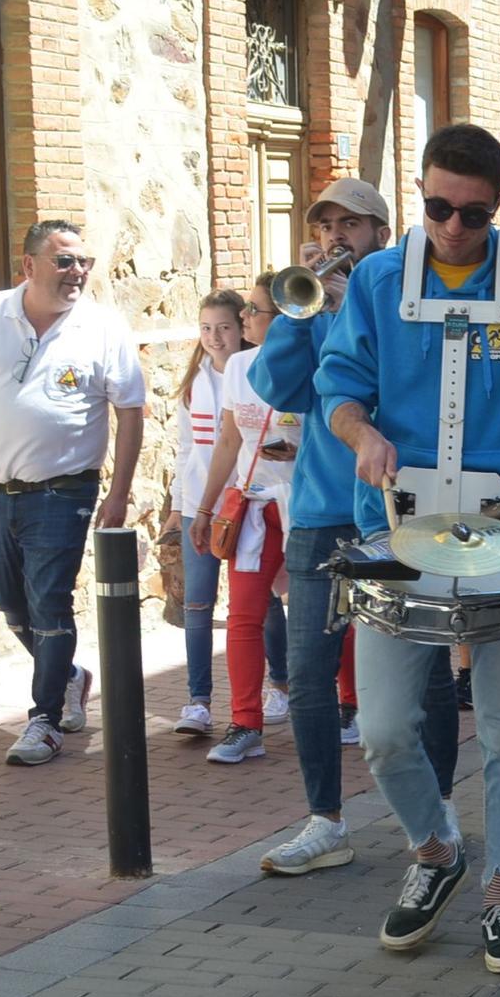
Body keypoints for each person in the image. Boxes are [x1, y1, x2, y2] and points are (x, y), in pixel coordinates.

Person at [318, 125, 500, 974]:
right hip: (396, 533)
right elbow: (337, 386)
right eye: (437, 208)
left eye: (473, 214)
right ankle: (436, 850)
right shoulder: (377, 279)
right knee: (381, 729)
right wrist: (363, 435)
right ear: (419, 195)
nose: (453, 227)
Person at [250, 177, 459, 876]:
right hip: (317, 510)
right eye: (327, 224)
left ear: (379, 231)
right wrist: (301, 314)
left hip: (395, 508)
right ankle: (324, 820)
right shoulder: (310, 303)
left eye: (352, 225)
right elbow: (276, 388)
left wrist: (348, 311)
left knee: (423, 667)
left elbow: (406, 380)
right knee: (309, 671)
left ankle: (438, 813)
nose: (338, 236)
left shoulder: (400, 295)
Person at [0, 220, 145, 766]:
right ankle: (70, 675)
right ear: (29, 266)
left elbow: (129, 410)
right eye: (64, 262)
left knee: (50, 602)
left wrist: (119, 492)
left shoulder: (101, 327)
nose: (77, 272)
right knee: (10, 603)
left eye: (84, 262)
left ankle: (44, 721)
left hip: (65, 490)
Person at [190, 281, 301, 762]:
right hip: (255, 504)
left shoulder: (316, 360)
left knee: (324, 613)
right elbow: (229, 443)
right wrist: (204, 507)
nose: (247, 318)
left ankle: (348, 705)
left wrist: (300, 450)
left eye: (256, 311)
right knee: (243, 616)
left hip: (310, 506)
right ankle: (244, 723)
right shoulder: (239, 366)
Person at [166, 289, 275, 740]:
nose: (215, 337)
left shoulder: (255, 373)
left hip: (249, 502)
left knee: (258, 604)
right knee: (196, 603)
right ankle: (198, 701)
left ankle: (280, 684)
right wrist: (179, 507)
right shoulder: (193, 385)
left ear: (242, 329)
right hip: (201, 506)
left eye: (225, 327)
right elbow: (186, 449)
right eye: (206, 328)